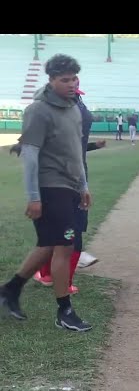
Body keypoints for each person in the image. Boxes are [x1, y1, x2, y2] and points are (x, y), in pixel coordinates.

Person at [0, 54, 93, 331]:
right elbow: (30, 155)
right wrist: (34, 197)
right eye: (65, 80)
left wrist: (83, 185)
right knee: (64, 245)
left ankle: (10, 290)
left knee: (51, 244)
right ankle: (64, 312)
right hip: (50, 187)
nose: (71, 84)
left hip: (70, 186)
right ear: (51, 80)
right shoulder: (38, 110)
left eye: (74, 79)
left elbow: (76, 151)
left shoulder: (73, 107)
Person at [32, 78, 106, 294]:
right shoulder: (65, 113)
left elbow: (76, 147)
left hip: (65, 175)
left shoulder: (67, 112)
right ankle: (61, 279)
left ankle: (47, 274)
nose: (76, 97)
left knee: (60, 229)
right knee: (71, 230)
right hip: (66, 178)